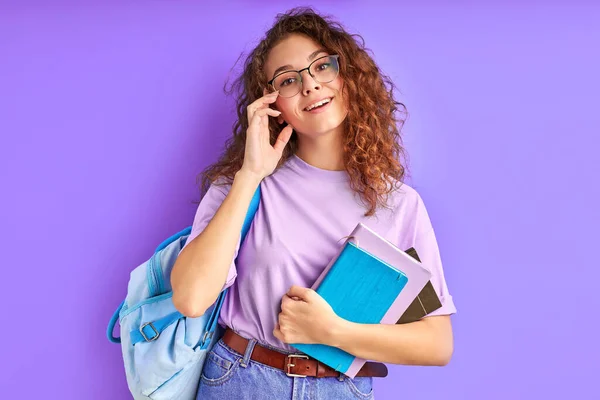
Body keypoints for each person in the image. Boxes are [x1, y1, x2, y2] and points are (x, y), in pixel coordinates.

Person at [171, 7, 456, 400]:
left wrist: (331, 332)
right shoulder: (243, 185)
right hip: (241, 380)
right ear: (272, 104)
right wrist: (250, 175)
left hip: (344, 389)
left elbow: (437, 343)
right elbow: (189, 298)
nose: (309, 86)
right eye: (288, 79)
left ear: (349, 77)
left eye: (321, 67)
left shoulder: (399, 204)